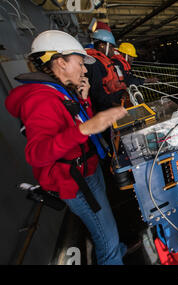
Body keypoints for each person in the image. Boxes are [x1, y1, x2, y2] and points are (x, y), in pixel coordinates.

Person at [5, 30, 128, 265]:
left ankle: (118, 249)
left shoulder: (60, 92)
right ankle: (114, 256)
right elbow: (36, 153)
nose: (84, 70)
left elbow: (77, 125)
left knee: (108, 226)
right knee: (107, 244)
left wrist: (85, 101)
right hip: (76, 183)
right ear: (61, 62)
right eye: (80, 63)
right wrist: (86, 128)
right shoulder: (40, 99)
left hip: (89, 170)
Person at [85, 29, 127, 113]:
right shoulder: (94, 63)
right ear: (102, 45)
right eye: (111, 47)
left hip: (114, 101)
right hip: (105, 109)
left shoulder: (106, 61)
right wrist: (114, 104)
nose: (113, 51)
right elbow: (96, 92)